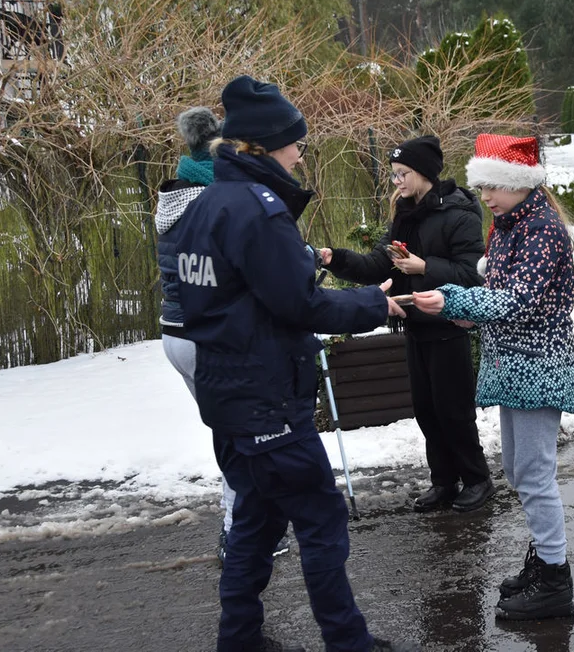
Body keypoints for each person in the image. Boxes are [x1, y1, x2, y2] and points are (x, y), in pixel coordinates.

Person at [174, 75, 419, 652]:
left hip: (229, 397)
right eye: (295, 143)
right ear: (263, 145)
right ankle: (348, 642)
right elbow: (301, 303)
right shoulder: (258, 213)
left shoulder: (204, 205)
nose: (301, 153)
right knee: (321, 521)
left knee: (255, 528)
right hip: (268, 403)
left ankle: (239, 639)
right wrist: (373, 303)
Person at [413, 133, 574, 621]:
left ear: (520, 183)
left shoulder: (542, 228)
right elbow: (497, 292)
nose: (484, 196)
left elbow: (519, 300)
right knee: (520, 471)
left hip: (538, 363)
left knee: (533, 474)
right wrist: (466, 313)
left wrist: (455, 301)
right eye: (481, 185)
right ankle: (545, 562)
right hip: (514, 361)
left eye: (493, 186)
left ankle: (555, 580)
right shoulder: (508, 224)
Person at [318, 135, 494, 514]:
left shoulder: (460, 214)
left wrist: (424, 267)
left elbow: (472, 273)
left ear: (424, 173)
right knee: (426, 410)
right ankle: (444, 482)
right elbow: (378, 265)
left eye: (402, 174)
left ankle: (478, 479)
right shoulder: (405, 216)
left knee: (454, 411)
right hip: (416, 326)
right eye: (395, 174)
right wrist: (335, 259)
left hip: (449, 326)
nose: (397, 181)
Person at [154, 106, 289, 565]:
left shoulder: (173, 201)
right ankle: (243, 535)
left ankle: (240, 530)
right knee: (244, 437)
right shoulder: (211, 205)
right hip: (212, 338)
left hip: (176, 334)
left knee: (230, 434)